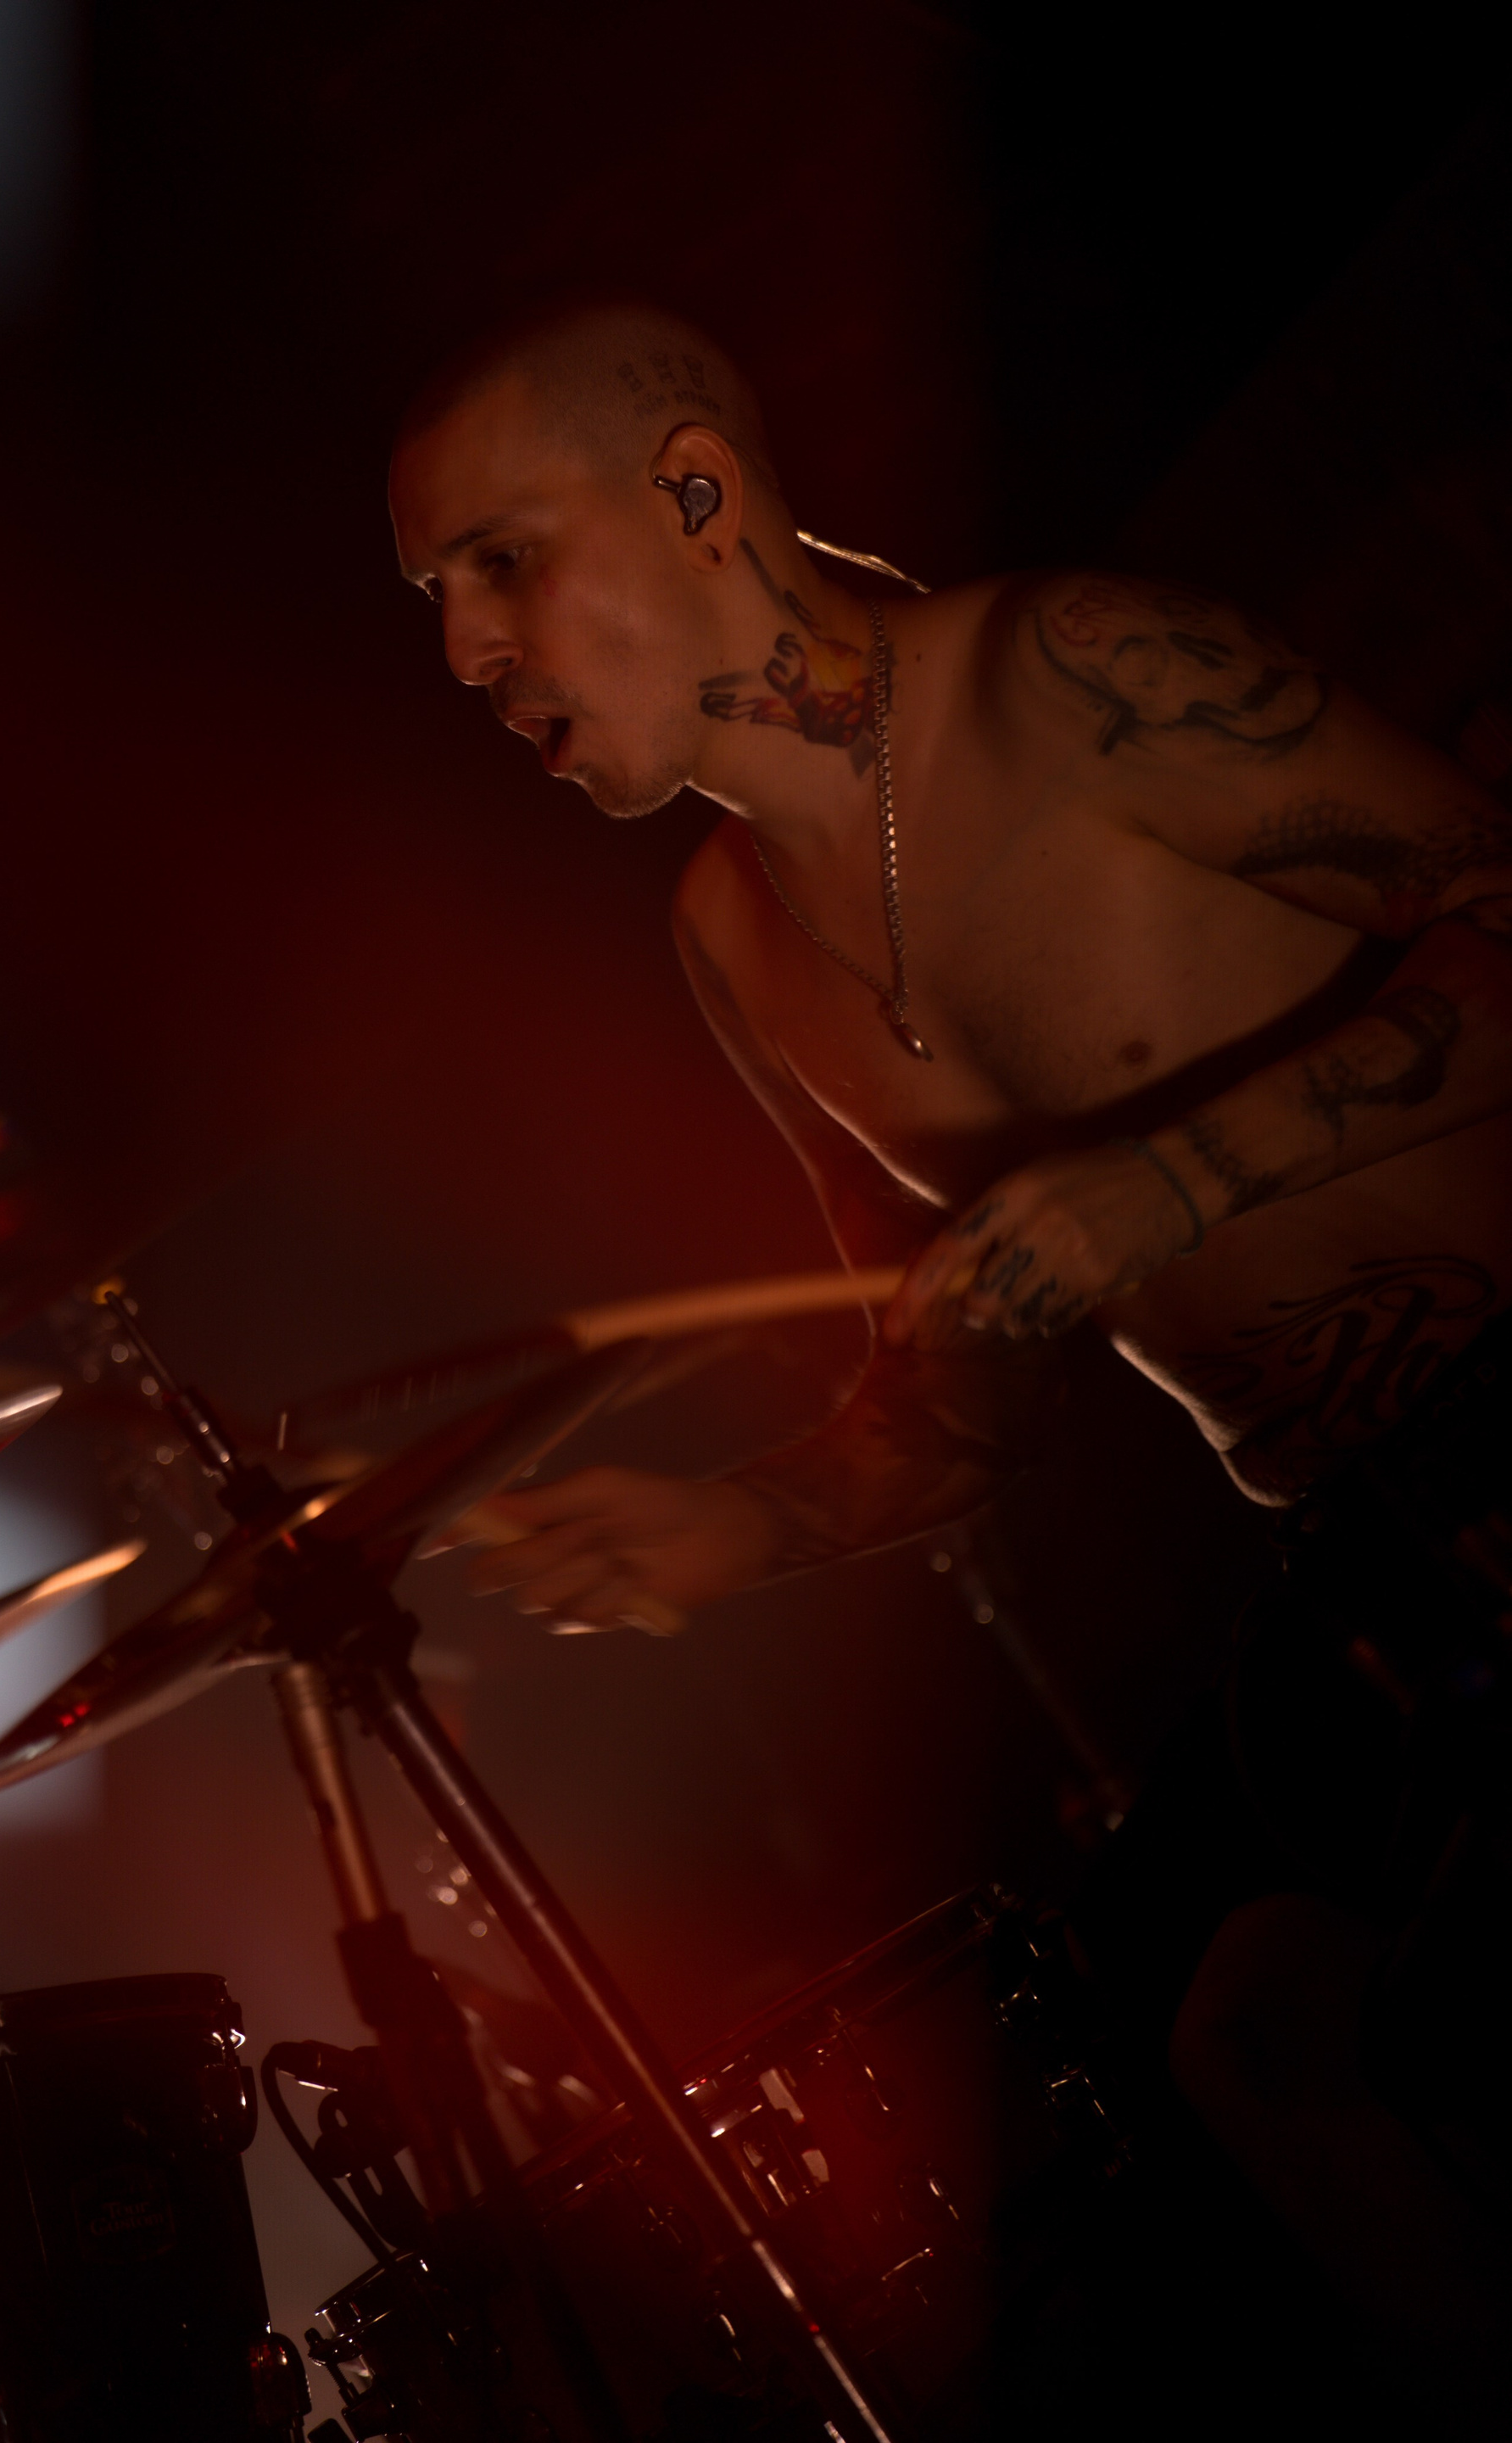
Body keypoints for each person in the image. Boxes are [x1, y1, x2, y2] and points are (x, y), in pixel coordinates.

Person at [388, 302, 1512, 2405]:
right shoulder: (731, 938)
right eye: (434, 603)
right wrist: (728, 1531)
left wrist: (1180, 1180)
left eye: (501, 563)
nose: (465, 652)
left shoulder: (1068, 674)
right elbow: (957, 1406)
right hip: (1368, 1564)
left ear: (697, 493)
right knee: (1204, 2042)